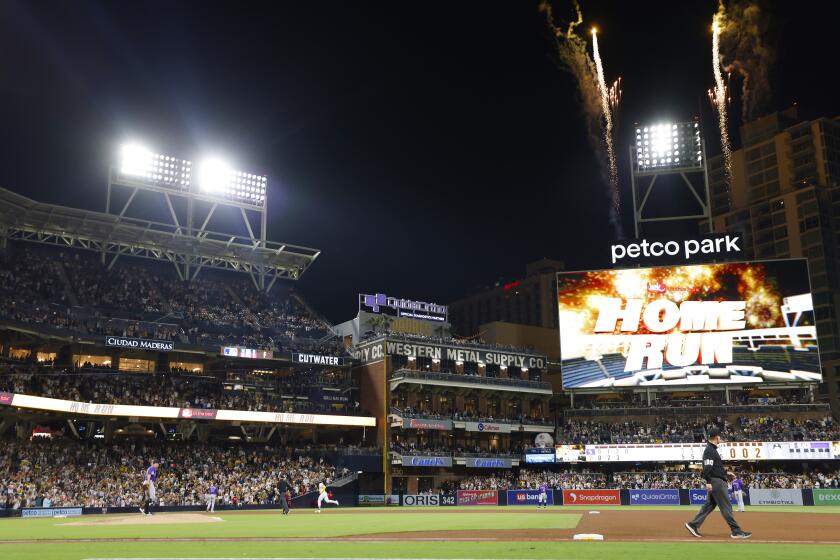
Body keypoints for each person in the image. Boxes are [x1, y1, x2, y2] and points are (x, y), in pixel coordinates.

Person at [685, 428, 751, 539]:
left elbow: (714, 468)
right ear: (716, 437)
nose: (720, 438)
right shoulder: (710, 450)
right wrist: (709, 482)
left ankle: (693, 524)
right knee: (726, 506)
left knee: (709, 505)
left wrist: (726, 472)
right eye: (719, 436)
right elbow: (707, 468)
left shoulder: (712, 450)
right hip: (717, 482)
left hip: (716, 480)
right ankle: (736, 531)